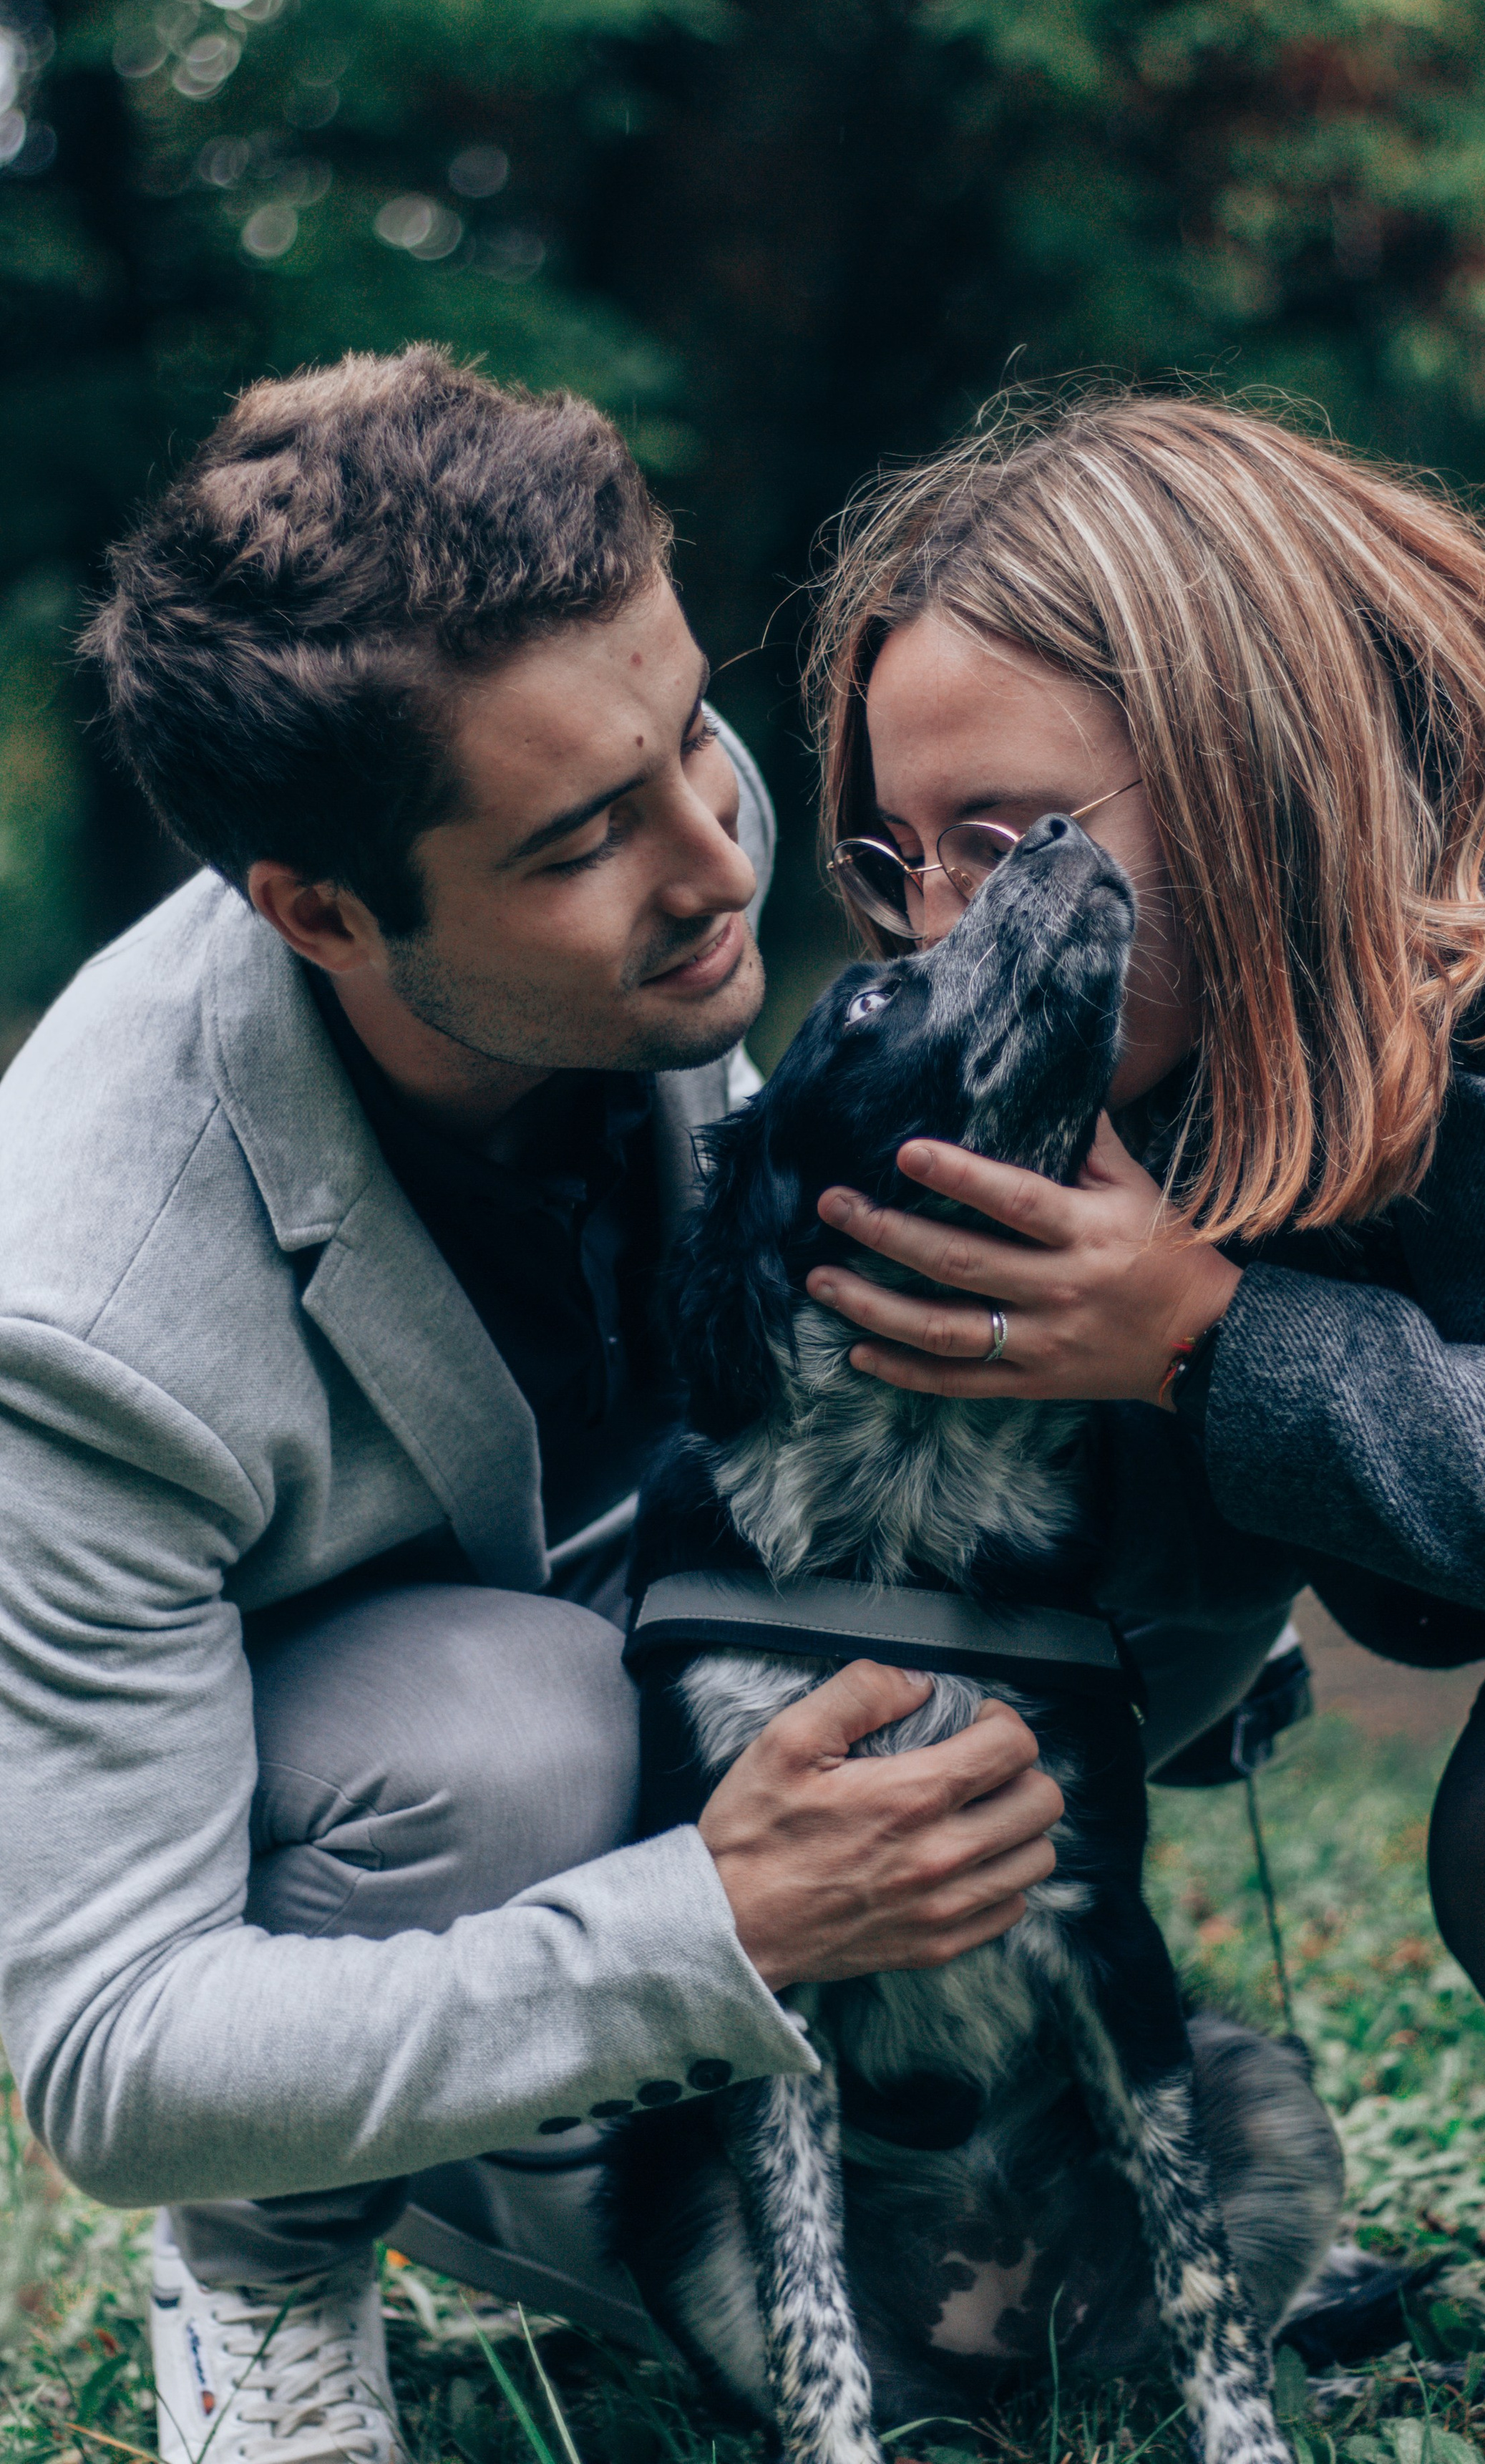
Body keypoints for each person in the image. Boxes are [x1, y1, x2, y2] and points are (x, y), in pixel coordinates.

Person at [0, 348, 1129, 2464]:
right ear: (322, 911)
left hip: (700, 1668)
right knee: (504, 1713)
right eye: (592, 835)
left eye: (693, 730)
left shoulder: (670, 854)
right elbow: (118, 2058)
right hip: (388, 1829)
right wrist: (723, 1916)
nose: (718, 859)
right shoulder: (79, 1309)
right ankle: (269, 2273)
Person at [799, 387, 1485, 2067]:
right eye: (898, 856)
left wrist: (1206, 1340)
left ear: (1239, 758)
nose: (937, 935)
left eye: (998, 842)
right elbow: (1420, 1602)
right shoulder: (1212, 1004)